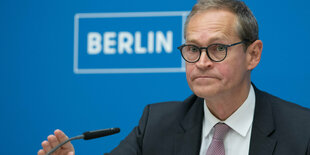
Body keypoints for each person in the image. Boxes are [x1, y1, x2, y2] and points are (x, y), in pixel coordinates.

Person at [38, 0, 310, 154]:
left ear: (253, 54)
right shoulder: (156, 124)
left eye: (217, 48)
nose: (202, 63)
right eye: (193, 49)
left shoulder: (302, 131)